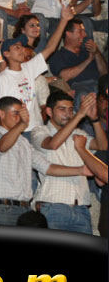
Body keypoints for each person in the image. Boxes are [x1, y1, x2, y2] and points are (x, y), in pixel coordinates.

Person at [0, 95, 93, 227]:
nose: (19, 118)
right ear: (2, 114)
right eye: (16, 114)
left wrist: (80, 170)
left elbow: (47, 167)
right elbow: (2, 147)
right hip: (3, 208)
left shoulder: (24, 142)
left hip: (25, 208)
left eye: (22, 114)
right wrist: (22, 124)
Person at [31, 91, 108, 234]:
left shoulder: (78, 133)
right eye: (62, 109)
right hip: (53, 206)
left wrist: (95, 119)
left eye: (71, 110)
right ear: (49, 111)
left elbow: (102, 146)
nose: (67, 114)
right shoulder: (39, 131)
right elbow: (53, 144)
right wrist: (79, 115)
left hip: (81, 208)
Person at [0, 6, 74, 132]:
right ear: (7, 54)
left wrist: (63, 20)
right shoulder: (2, 78)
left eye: (22, 47)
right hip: (17, 131)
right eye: (17, 48)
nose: (22, 50)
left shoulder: (29, 68)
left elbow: (50, 48)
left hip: (38, 129)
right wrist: (1, 134)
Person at [48, 19, 108, 99]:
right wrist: (88, 60)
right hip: (80, 88)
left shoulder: (87, 50)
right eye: (80, 31)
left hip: (99, 85)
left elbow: (105, 73)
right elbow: (64, 77)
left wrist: (97, 52)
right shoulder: (58, 56)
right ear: (68, 34)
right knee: (82, 94)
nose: (85, 34)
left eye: (84, 31)